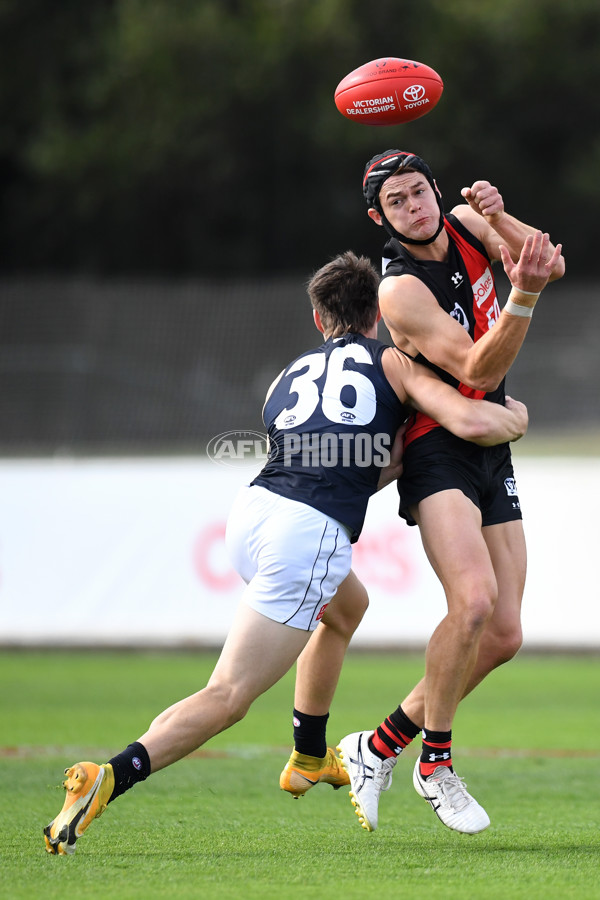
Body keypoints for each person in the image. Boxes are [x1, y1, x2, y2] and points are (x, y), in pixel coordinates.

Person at [43, 250, 530, 856]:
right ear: (375, 315)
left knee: (347, 607)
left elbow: (329, 458)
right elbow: (469, 422)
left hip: (250, 516)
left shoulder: (287, 376)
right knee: (228, 697)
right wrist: (512, 419)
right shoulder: (394, 363)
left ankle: (307, 755)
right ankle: (110, 775)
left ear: (320, 319)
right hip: (309, 534)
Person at [282, 150, 565, 835]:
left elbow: (547, 262)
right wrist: (523, 294)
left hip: (488, 442)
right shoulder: (399, 291)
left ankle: (375, 746)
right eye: (398, 201)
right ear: (381, 217)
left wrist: (500, 219)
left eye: (420, 191)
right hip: (439, 442)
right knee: (472, 603)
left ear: (438, 190)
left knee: (502, 634)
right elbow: (476, 362)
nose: (415, 205)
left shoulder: (470, 219)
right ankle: (434, 763)